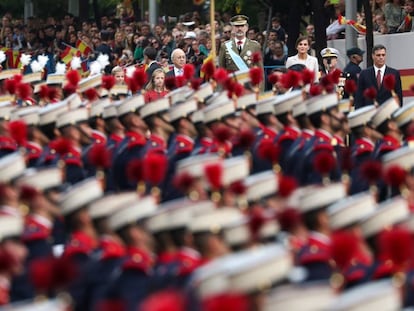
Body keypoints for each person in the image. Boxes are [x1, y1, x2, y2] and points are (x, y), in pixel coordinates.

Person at [355, 44, 403, 108]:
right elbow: (359, 97)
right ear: (373, 56)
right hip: (370, 113)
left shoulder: (394, 73)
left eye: (383, 55)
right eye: (378, 55)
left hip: (388, 112)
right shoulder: (364, 74)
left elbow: (399, 95)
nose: (381, 57)